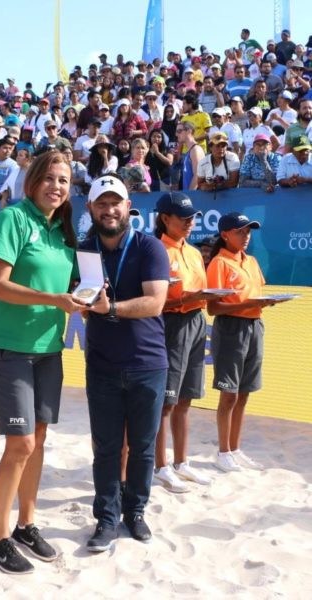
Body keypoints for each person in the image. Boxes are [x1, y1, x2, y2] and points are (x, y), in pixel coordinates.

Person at [0, 151, 84, 574]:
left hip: (48, 347)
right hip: (10, 345)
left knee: (38, 440)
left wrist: (88, 294)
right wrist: (54, 300)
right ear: (31, 181)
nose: (56, 187)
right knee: (20, 443)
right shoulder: (11, 220)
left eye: (63, 181)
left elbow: (72, 283)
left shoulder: (62, 232)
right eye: (49, 178)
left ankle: (25, 523)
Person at [81, 174, 169, 552]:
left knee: (143, 447)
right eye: (102, 203)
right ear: (91, 209)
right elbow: (81, 302)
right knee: (106, 448)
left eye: (115, 202)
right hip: (102, 364)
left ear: (128, 206)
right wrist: (87, 304)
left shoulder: (149, 248)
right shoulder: (83, 250)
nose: (109, 209)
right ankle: (105, 517)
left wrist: (109, 308)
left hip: (148, 363)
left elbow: (155, 302)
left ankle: (135, 512)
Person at [206, 213, 284, 472]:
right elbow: (214, 308)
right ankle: (223, 451)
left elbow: (256, 294)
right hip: (231, 329)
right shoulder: (218, 263)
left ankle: (235, 449)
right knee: (229, 394)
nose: (246, 236)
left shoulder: (250, 261)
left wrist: (265, 302)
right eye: (240, 232)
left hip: (254, 325)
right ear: (225, 234)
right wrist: (250, 304)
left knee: (244, 393)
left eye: (248, 232)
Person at [152, 193, 215, 494]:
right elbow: (153, 298)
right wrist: (189, 297)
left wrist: (206, 296)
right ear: (165, 218)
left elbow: (199, 290)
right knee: (166, 401)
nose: (190, 221)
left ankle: (181, 461)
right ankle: (160, 466)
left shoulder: (192, 252)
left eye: (192, 216)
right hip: (171, 324)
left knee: (186, 397)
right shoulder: (155, 250)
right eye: (183, 217)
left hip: (196, 321)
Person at [176, 121, 205, 190]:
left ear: (189, 131)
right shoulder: (190, 150)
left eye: (179, 131)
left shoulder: (196, 150)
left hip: (193, 196)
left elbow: (197, 175)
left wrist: (189, 194)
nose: (176, 134)